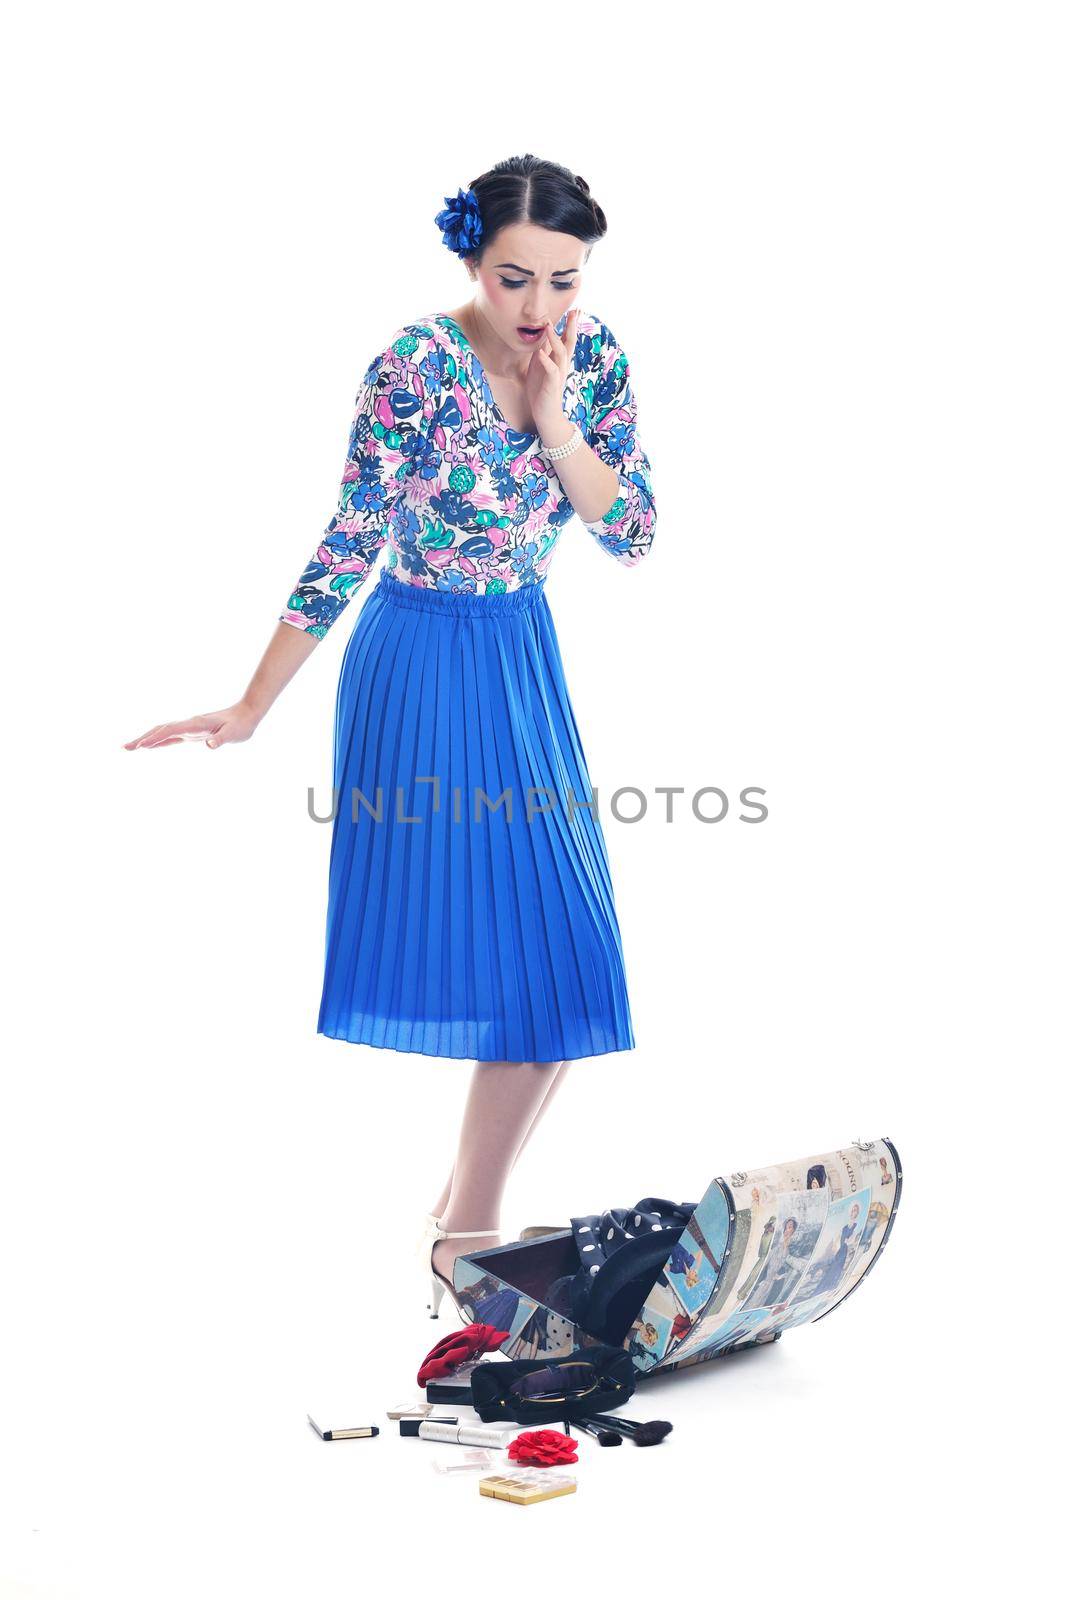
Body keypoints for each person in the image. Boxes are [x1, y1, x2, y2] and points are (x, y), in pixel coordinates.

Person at [123, 153, 657, 1318]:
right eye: (514, 278)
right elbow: (347, 539)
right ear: (471, 259)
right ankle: (470, 1240)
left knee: (569, 969)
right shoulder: (413, 367)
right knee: (535, 971)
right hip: (417, 664)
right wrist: (252, 703)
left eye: (562, 280)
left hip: (521, 655)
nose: (537, 309)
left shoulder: (593, 355)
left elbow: (635, 532)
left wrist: (561, 418)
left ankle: (460, 1233)